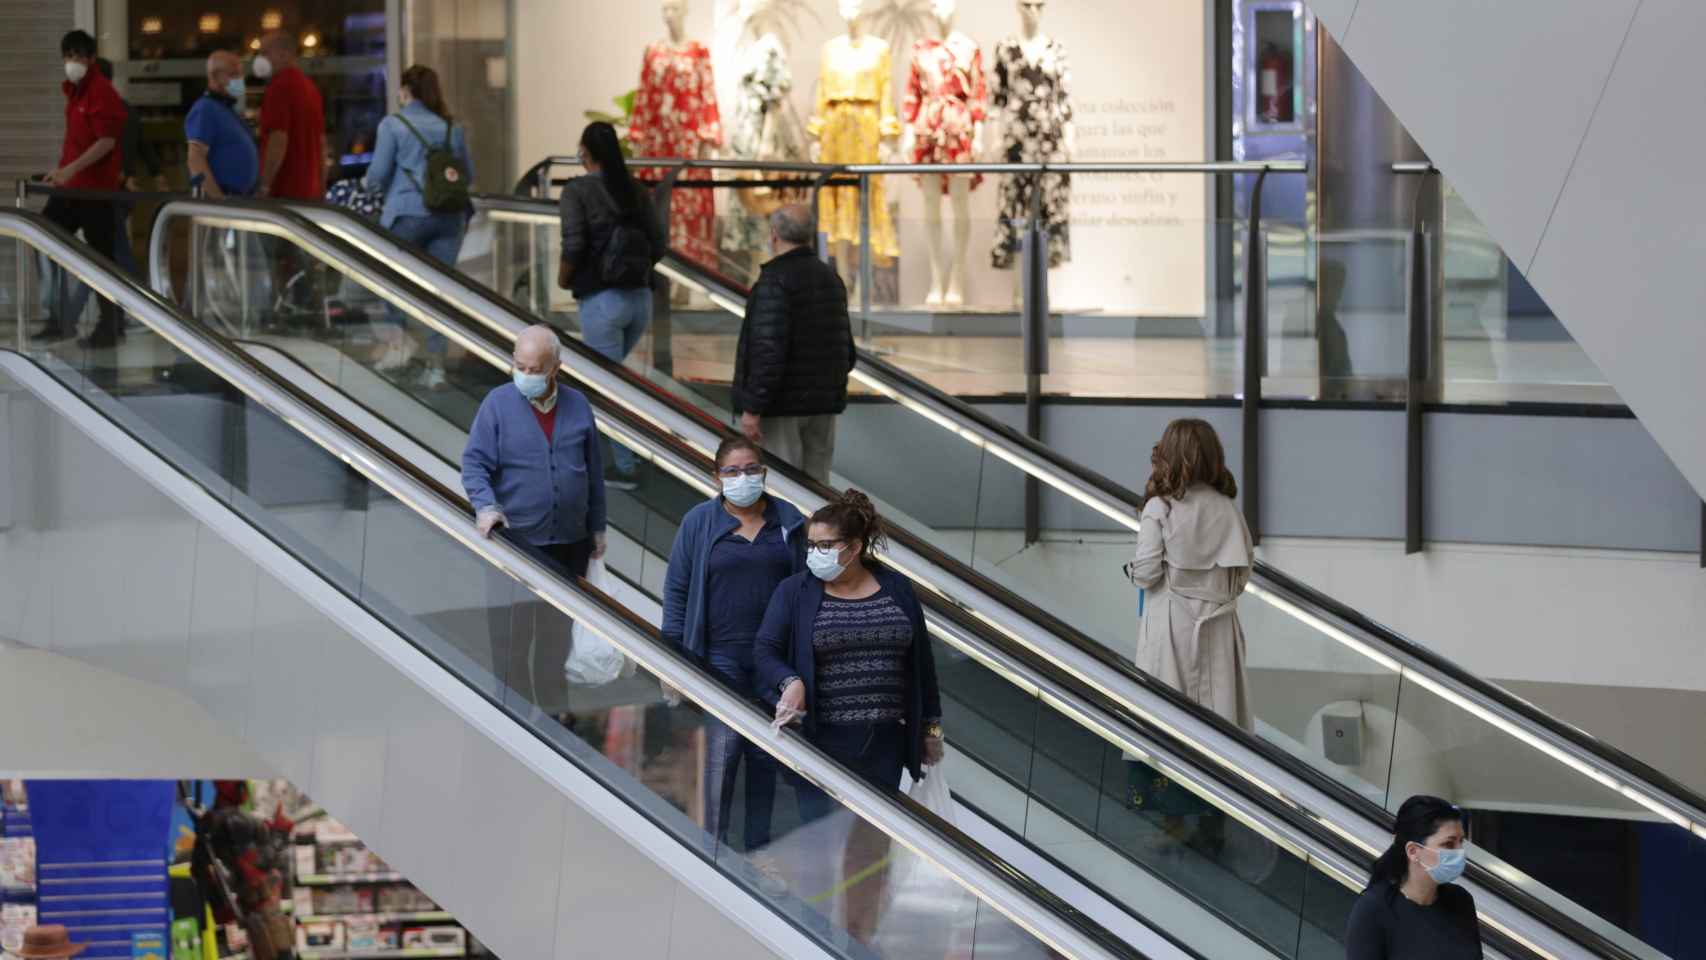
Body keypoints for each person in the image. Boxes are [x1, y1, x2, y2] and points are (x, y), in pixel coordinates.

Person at [754, 489, 943, 942]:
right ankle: (814, 938)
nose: (814, 554)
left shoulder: (895, 588)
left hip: (883, 744)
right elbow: (764, 650)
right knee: (823, 847)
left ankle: (858, 941)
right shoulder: (795, 592)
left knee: (869, 854)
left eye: (825, 545)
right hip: (823, 742)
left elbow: (922, 664)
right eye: (811, 545)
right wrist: (789, 682)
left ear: (854, 547)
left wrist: (929, 727)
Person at [662, 436, 806, 864]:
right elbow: (677, 591)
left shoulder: (789, 521)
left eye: (751, 469)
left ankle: (758, 851)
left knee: (765, 757)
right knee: (722, 754)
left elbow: (807, 588)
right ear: (716, 477)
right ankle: (710, 853)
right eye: (732, 471)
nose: (743, 478)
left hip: (774, 660)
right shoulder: (699, 522)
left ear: (764, 473)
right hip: (719, 656)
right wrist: (671, 658)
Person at [461, 325, 608, 720]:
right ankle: (513, 718)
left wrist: (598, 526)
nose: (525, 374)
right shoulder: (497, 404)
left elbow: (593, 470)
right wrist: (485, 506)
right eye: (519, 365)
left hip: (569, 543)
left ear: (556, 368)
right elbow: (474, 462)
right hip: (516, 541)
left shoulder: (578, 406)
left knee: (555, 638)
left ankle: (554, 715)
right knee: (511, 639)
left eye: (535, 367)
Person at [1123, 418, 1253, 842]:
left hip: (1169, 631)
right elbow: (1241, 577)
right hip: (1217, 632)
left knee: (1165, 727)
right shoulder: (1228, 510)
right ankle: (1215, 822)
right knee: (1217, 729)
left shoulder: (1159, 509)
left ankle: (1171, 824)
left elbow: (1144, 573)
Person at [558, 120, 665, 489]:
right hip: (640, 298)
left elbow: (573, 244)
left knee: (606, 387)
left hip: (602, 300)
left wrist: (563, 278)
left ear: (585, 154)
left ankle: (626, 467)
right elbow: (660, 243)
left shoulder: (577, 191)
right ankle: (628, 454)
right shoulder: (635, 190)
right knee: (619, 380)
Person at [364, 64, 473, 388]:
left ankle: (399, 348)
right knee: (438, 292)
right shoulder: (452, 127)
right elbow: (469, 174)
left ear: (405, 91)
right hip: (449, 219)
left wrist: (371, 187)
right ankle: (436, 366)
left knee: (393, 285)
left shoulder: (393, 125)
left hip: (406, 216)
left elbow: (377, 175)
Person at [733, 203, 856, 485]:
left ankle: (793, 532)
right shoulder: (831, 278)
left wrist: (752, 408)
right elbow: (846, 349)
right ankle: (818, 531)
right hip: (824, 403)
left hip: (783, 405)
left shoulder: (774, 281)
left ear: (774, 234)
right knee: (817, 485)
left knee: (783, 485)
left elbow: (768, 351)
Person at [40, 29, 127, 347]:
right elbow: (76, 143)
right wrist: (60, 171)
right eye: (68, 56)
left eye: (78, 56)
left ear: (91, 60)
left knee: (102, 257)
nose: (72, 62)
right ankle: (60, 319)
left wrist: (70, 170)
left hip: (94, 191)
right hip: (71, 188)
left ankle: (110, 323)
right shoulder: (74, 93)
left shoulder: (101, 92)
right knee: (44, 239)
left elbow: (106, 141)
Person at [1345, 795, 1481, 959]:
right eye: (1449, 844)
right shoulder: (1374, 909)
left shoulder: (1461, 900)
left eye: (1461, 842)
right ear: (1413, 851)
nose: (1459, 852)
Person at [254, 31, 325, 200]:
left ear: (284, 54)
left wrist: (264, 186)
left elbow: (278, 139)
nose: (259, 59)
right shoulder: (310, 88)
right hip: (310, 192)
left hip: (285, 192)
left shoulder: (279, 87)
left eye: (265, 53)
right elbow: (321, 143)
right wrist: (321, 188)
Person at [185, 50, 258, 199]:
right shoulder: (206, 109)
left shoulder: (228, 110)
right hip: (221, 201)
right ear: (215, 76)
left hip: (238, 200)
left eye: (240, 74)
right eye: (233, 74)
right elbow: (195, 158)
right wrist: (218, 200)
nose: (239, 80)